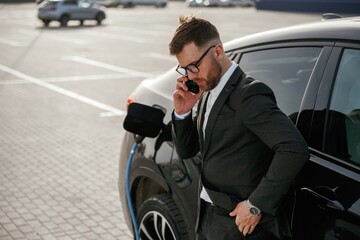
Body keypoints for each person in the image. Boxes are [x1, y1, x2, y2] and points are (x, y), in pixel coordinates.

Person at [169, 15, 309, 240]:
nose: (190, 76)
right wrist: (183, 112)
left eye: (195, 66)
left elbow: (294, 148)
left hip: (240, 227)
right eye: (185, 69)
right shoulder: (206, 89)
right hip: (208, 218)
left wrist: (256, 205)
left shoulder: (249, 95)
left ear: (217, 51)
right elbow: (187, 152)